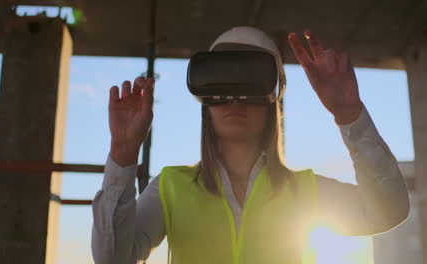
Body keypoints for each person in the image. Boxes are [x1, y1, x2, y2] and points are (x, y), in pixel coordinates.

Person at [91, 26, 410, 264]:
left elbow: (388, 211)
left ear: (274, 100)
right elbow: (112, 260)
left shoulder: (306, 191)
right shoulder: (170, 187)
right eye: (222, 86)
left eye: (250, 85)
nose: (234, 100)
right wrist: (123, 154)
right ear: (206, 101)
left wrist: (349, 115)